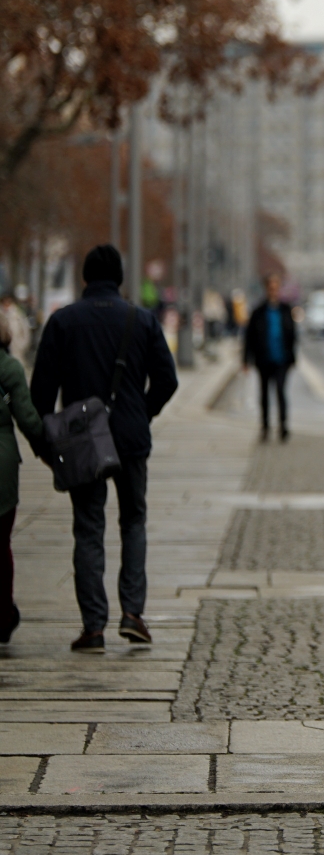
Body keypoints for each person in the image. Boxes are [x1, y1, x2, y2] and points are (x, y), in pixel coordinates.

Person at [31, 244, 178, 653]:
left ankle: (93, 626)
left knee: (89, 529)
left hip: (82, 444)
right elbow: (168, 380)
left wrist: (47, 443)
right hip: (130, 440)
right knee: (133, 522)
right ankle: (133, 614)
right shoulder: (142, 320)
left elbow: (39, 393)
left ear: (84, 278)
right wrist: (141, 414)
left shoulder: (63, 322)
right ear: (120, 279)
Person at [0, 306, 48, 646]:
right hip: (2, 471)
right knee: (1, 545)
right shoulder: (9, 369)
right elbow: (29, 421)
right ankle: (2, 615)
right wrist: (51, 454)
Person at [243, 274, 298, 441]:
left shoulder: (285, 310)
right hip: (264, 358)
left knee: (281, 392)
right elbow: (249, 337)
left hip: (281, 358)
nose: (273, 290)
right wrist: (246, 359)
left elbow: (293, 335)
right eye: (270, 287)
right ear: (266, 288)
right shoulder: (258, 311)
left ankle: (283, 426)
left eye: (276, 286)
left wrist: (292, 357)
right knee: (264, 394)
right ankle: (265, 427)